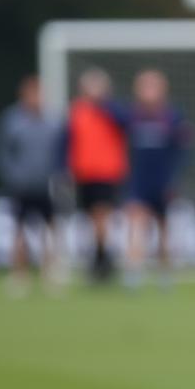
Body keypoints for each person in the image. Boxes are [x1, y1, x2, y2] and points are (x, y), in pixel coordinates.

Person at [0, 76, 62, 294]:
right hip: (20, 186)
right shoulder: (11, 120)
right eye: (33, 93)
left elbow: (60, 151)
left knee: (50, 229)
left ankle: (50, 274)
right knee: (18, 230)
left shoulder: (52, 121)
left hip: (46, 185)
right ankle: (20, 275)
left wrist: (57, 174)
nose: (37, 98)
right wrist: (13, 175)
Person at [122, 69, 191, 287]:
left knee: (163, 230)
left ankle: (165, 273)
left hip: (163, 182)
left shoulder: (172, 118)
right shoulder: (131, 117)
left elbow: (182, 151)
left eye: (153, 86)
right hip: (139, 181)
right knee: (136, 225)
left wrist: (174, 180)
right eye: (145, 86)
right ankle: (134, 272)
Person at [66, 68, 128, 282]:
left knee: (102, 215)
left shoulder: (113, 110)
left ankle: (102, 260)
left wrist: (105, 104)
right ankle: (97, 258)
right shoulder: (77, 111)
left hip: (107, 172)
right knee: (89, 219)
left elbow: (126, 124)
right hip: (83, 174)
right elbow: (67, 141)